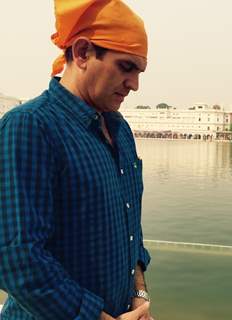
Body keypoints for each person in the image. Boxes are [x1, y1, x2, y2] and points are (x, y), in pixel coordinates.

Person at [0, 1, 153, 319]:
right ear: (82, 52)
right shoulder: (31, 126)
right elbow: (17, 257)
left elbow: (130, 229)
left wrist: (139, 295)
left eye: (139, 72)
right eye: (126, 67)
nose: (135, 85)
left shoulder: (120, 130)